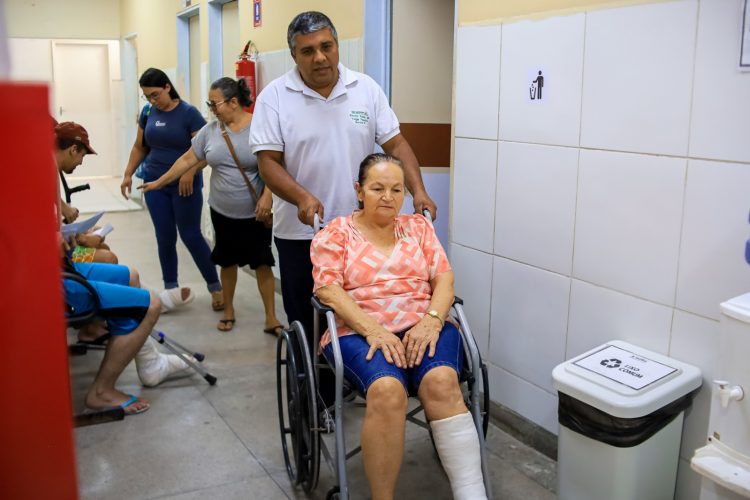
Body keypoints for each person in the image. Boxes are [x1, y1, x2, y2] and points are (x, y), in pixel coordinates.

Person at [250, 11, 437, 401]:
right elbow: (267, 162)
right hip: (303, 234)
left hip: (364, 235)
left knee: (361, 314)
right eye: (307, 51)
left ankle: (359, 378)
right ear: (294, 55)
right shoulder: (275, 97)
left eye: (326, 46)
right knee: (308, 319)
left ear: (336, 46)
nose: (319, 57)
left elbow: (397, 144)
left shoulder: (364, 88)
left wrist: (418, 190)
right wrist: (302, 197)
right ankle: (315, 397)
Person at [311, 154, 486, 500]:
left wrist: (432, 320)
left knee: (442, 381)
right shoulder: (336, 234)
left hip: (424, 321)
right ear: (359, 191)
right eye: (377, 188)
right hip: (357, 330)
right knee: (387, 390)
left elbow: (444, 279)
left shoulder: (418, 228)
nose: (388, 197)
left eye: (396, 189)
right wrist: (374, 330)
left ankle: (471, 493)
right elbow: (328, 290)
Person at [55, 122, 191, 415]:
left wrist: (72, 233)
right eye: (82, 156)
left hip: (64, 266)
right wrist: (75, 238)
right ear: (73, 149)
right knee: (147, 301)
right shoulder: (30, 180)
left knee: (129, 274)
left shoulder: (41, 176)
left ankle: (148, 361)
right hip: (58, 279)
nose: (81, 163)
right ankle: (102, 391)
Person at [142, 77, 284, 334]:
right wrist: (159, 182)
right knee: (227, 261)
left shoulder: (260, 127)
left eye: (214, 103)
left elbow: (276, 165)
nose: (211, 109)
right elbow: (187, 159)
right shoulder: (210, 131)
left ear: (233, 102)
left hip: (255, 212)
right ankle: (229, 311)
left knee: (262, 263)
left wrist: (267, 197)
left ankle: (271, 318)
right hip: (222, 210)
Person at [120, 68, 223, 311]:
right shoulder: (148, 112)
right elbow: (139, 147)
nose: (152, 100)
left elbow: (204, 152)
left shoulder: (189, 114)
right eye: (147, 96)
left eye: (155, 94)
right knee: (164, 236)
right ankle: (171, 289)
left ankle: (215, 286)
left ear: (167, 87)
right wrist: (127, 174)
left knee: (191, 235)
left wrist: (190, 172)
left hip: (184, 186)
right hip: (154, 183)